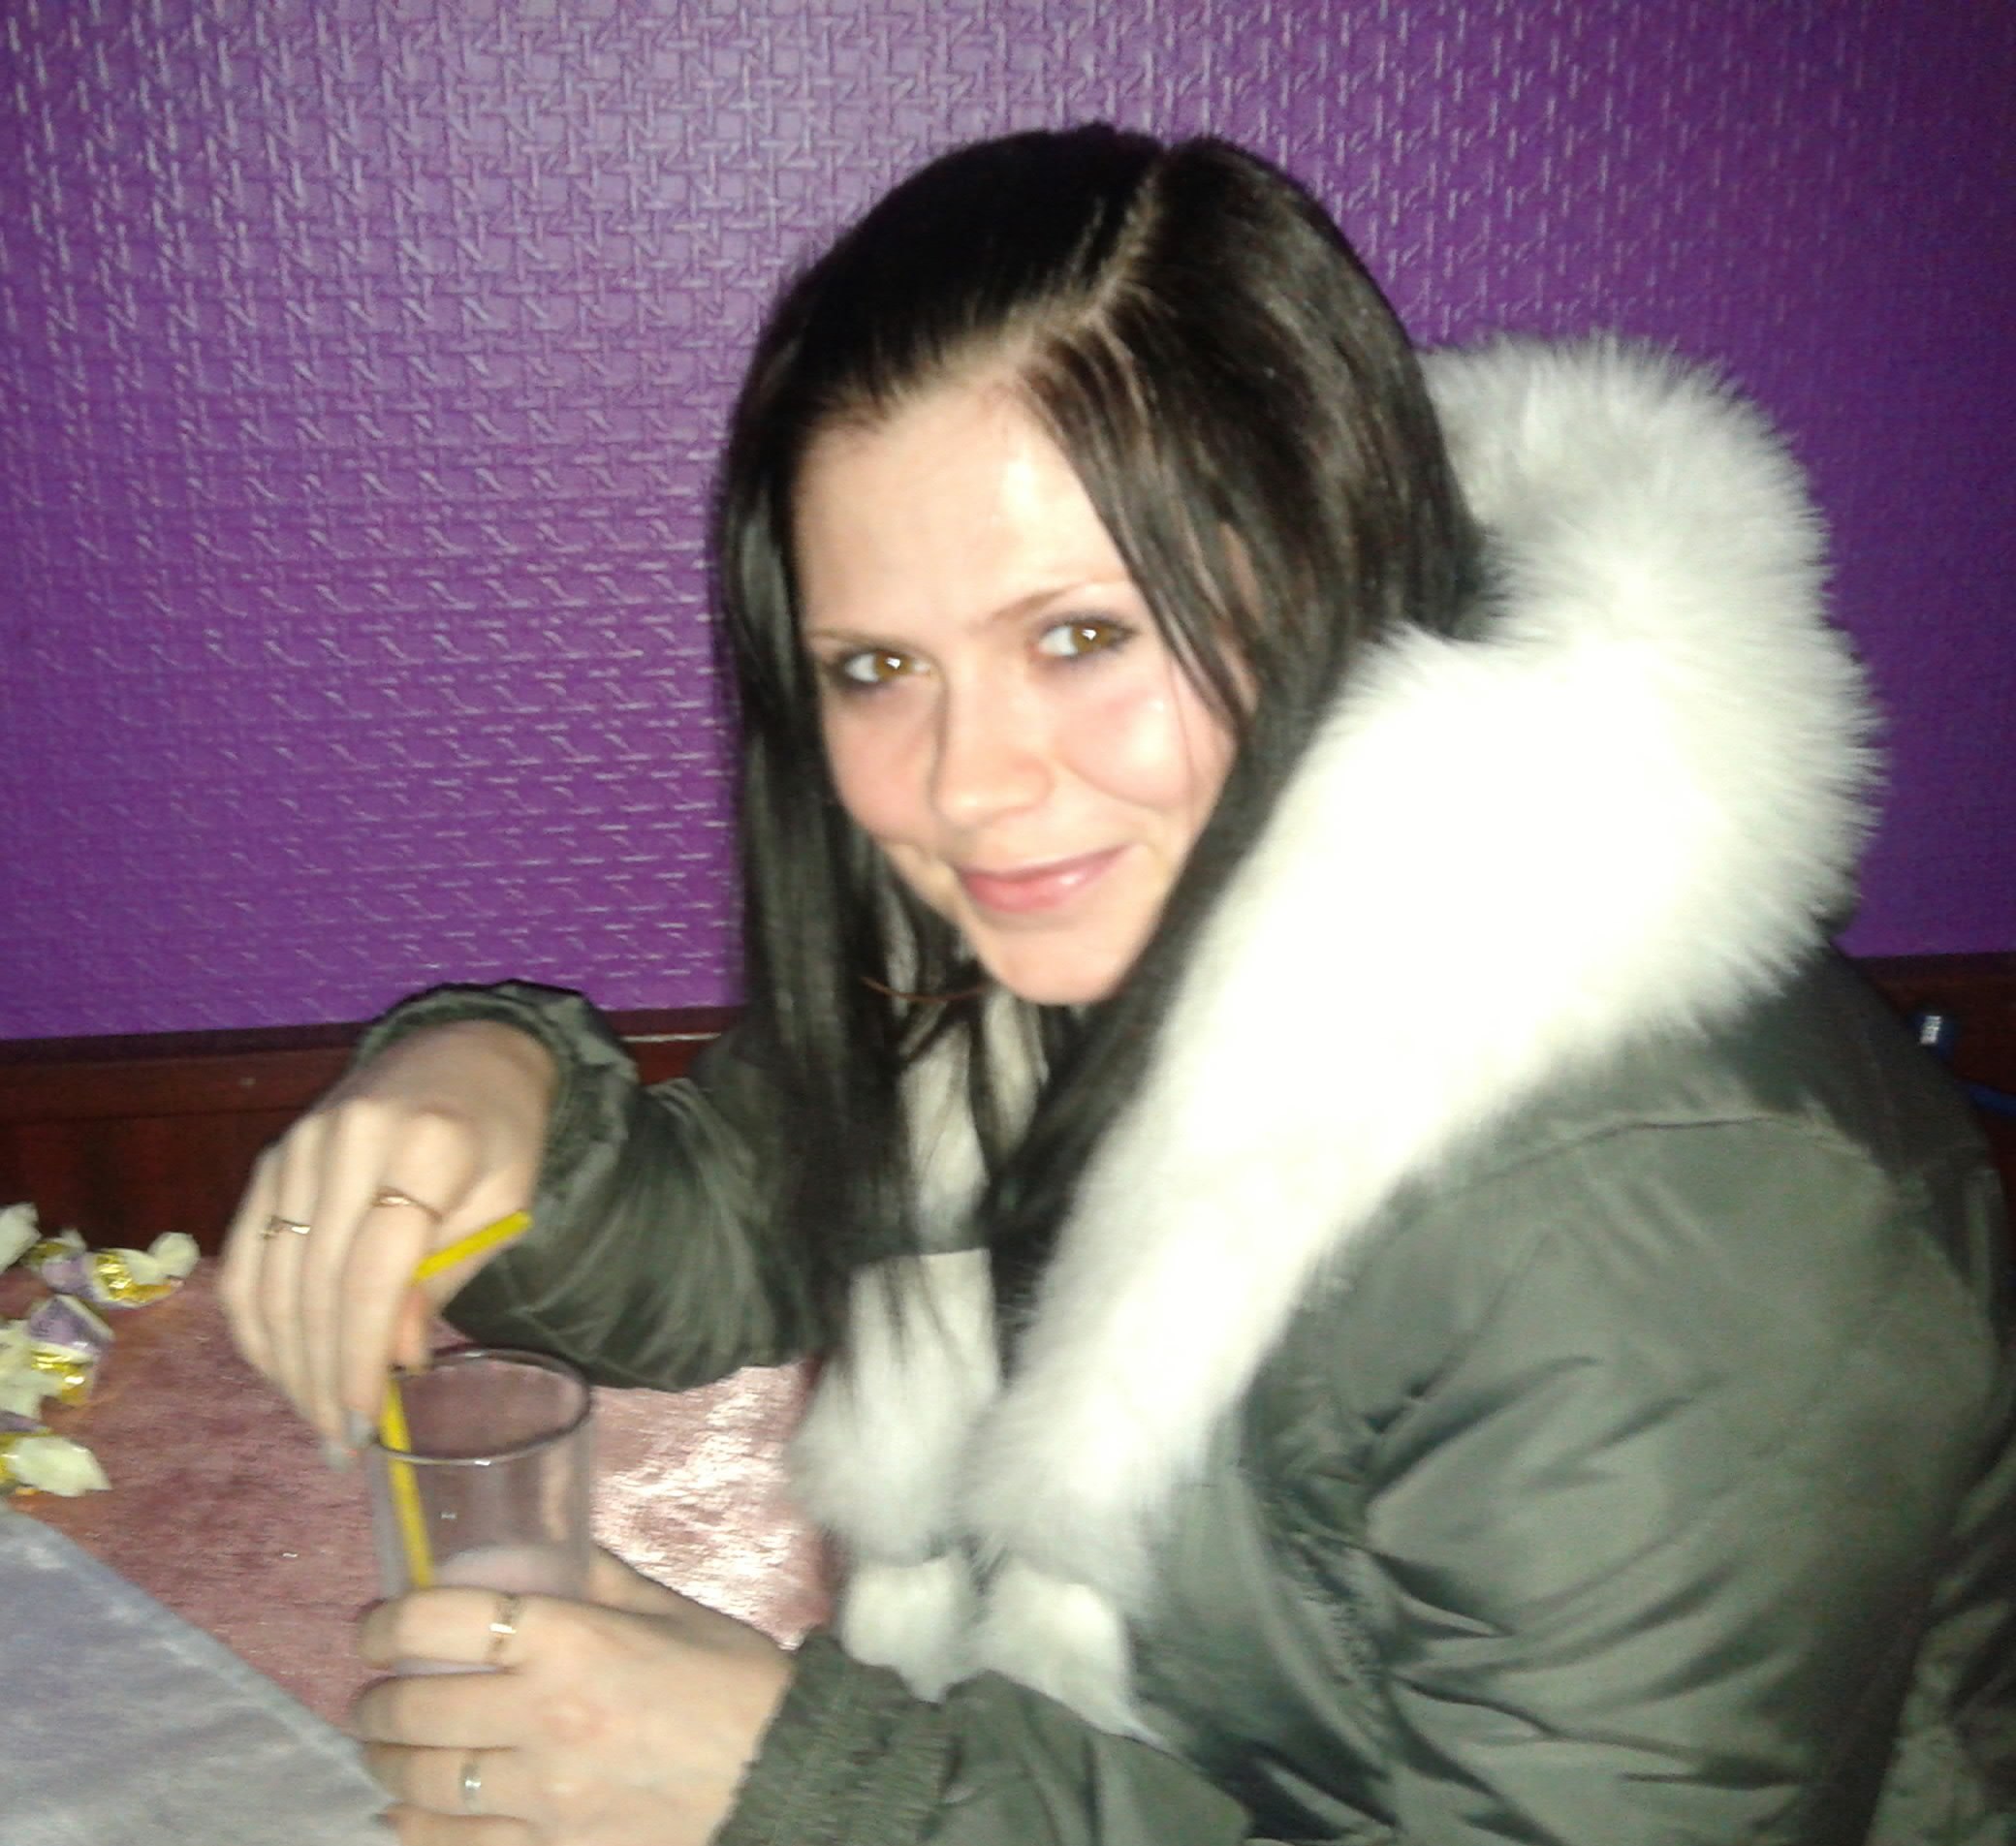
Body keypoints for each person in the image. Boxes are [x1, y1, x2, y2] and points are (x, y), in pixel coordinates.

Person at [221, 126, 2016, 1846]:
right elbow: (730, 1223)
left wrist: (819, 1794)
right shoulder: (1091, 913)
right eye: (875, 667)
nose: (968, 783)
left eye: (1081, 635)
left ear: (1317, 562)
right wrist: (491, 1081)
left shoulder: (1670, 1205)